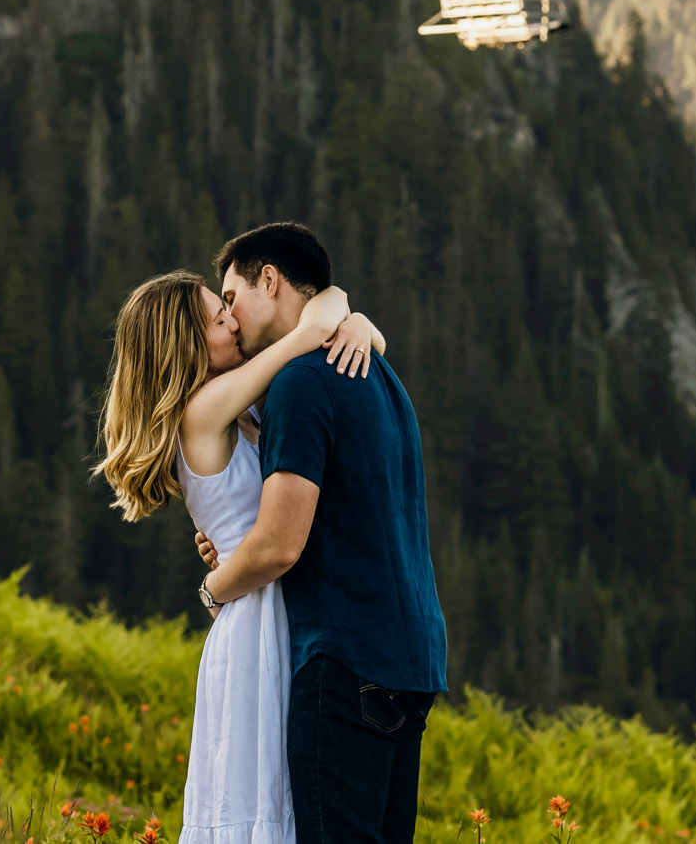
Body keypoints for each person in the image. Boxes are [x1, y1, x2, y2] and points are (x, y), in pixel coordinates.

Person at [93, 264, 384, 844]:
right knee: (265, 795)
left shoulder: (235, 410)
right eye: (217, 316)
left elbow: (341, 334)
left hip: (270, 608)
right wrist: (343, 311)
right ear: (184, 341)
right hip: (256, 625)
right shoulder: (203, 411)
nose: (232, 322)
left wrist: (359, 327)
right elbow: (310, 330)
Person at [195, 222, 447, 844]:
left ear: (270, 282)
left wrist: (213, 587)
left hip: (344, 661)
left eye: (231, 296)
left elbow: (281, 543)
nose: (230, 315)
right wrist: (349, 314)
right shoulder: (379, 374)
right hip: (413, 658)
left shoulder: (301, 383)